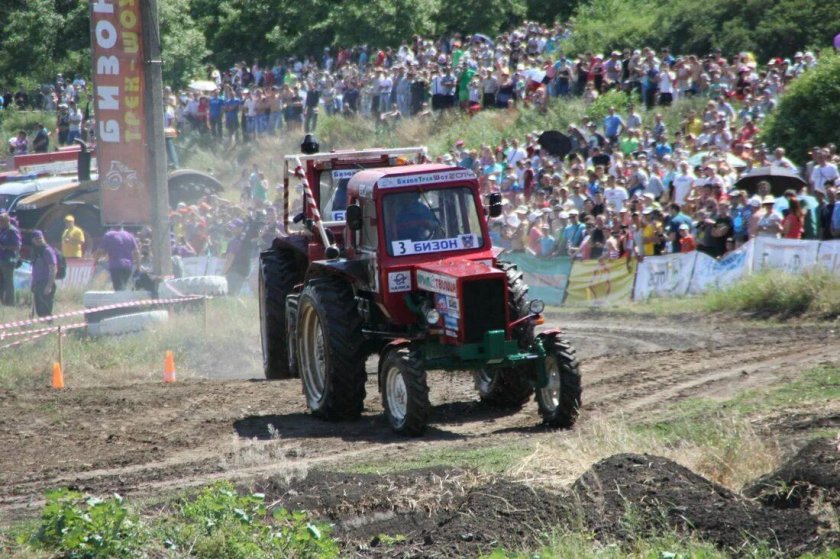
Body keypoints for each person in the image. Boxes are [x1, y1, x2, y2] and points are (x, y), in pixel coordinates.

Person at [96, 226, 140, 290]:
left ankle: (121, 299)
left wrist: (96, 260)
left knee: (118, 288)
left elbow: (100, 251)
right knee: (124, 286)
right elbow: (136, 252)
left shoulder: (109, 235)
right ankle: (124, 297)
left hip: (115, 265)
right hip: (128, 266)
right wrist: (138, 267)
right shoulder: (129, 235)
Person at [29, 230, 57, 317]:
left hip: (46, 282)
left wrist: (49, 286)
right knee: (39, 310)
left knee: (46, 309)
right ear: (33, 240)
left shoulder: (47, 251)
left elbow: (53, 269)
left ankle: (48, 326)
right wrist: (33, 283)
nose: (39, 240)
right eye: (37, 239)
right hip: (38, 283)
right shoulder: (35, 252)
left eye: (40, 238)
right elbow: (35, 269)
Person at [0, 212, 22, 306]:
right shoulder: (2, 230)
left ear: (7, 221)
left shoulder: (12, 231)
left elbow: (18, 246)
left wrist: (6, 247)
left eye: (2, 221)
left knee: (9, 282)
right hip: (1, 259)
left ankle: (10, 303)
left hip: (8, 260)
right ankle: (2, 301)